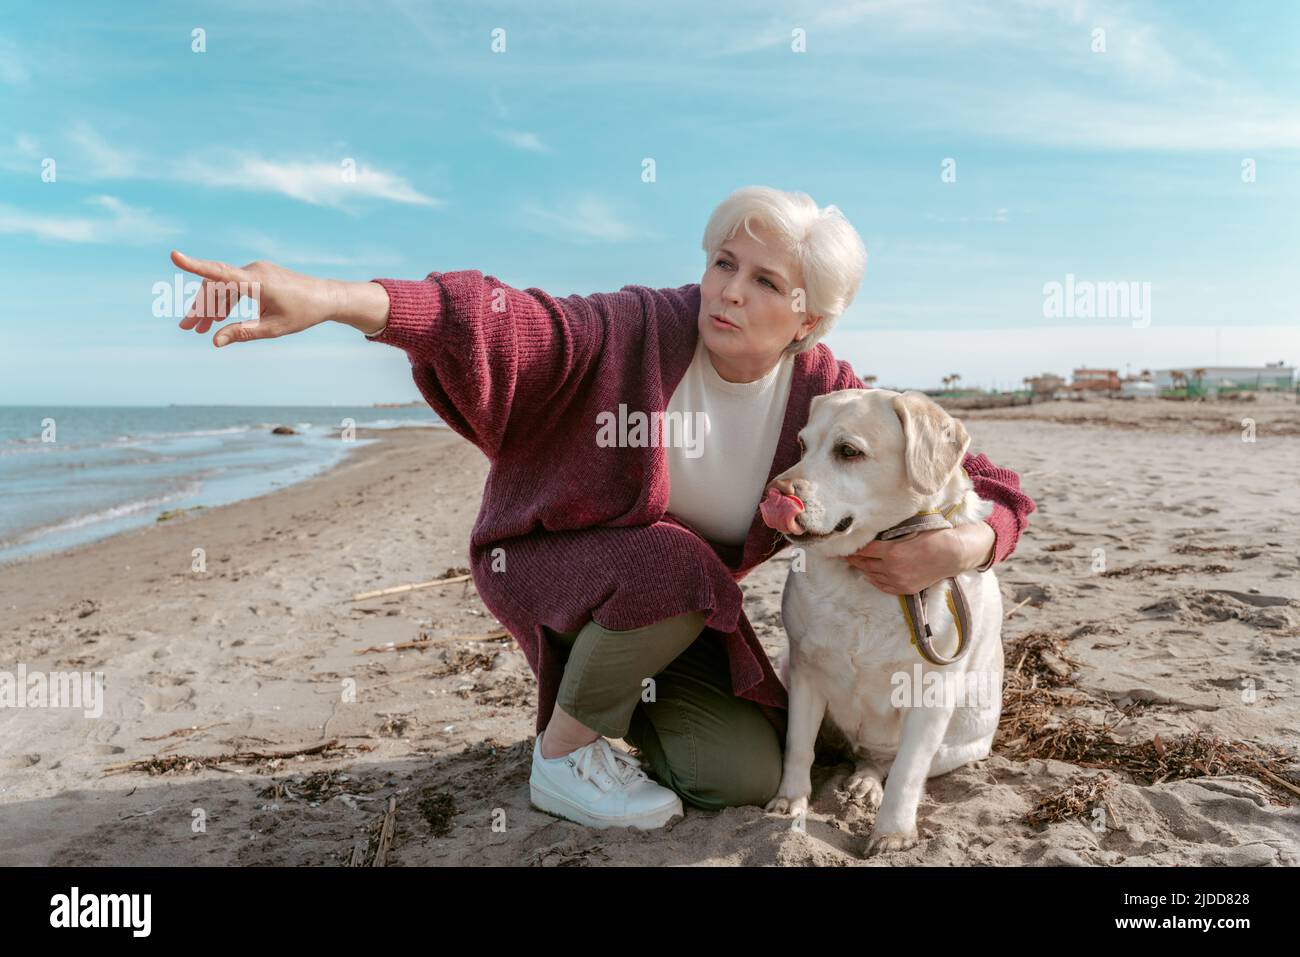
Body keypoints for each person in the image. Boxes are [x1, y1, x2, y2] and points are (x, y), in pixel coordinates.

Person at [173, 185, 1036, 831]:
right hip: (559, 563)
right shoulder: (635, 328)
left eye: (765, 280)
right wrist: (335, 300)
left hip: (681, 610)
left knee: (737, 771)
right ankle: (563, 755)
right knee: (675, 561)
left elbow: (989, 482)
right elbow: (506, 319)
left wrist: (963, 547)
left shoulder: (825, 396)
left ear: (811, 315)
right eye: (722, 263)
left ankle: (615, 705)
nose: (728, 292)